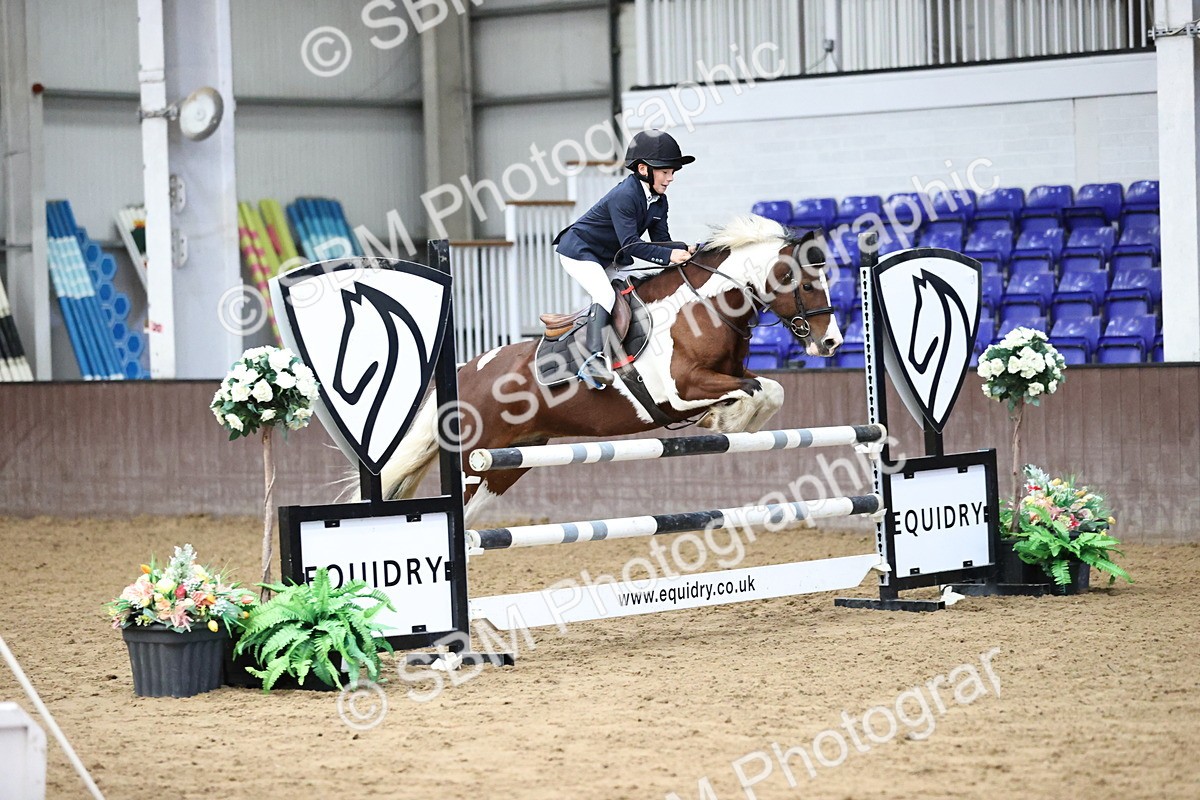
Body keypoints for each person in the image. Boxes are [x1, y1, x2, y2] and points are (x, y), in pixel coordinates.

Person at [553, 129, 697, 388]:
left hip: (607, 256)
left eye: (673, 172)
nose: (671, 178)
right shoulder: (625, 196)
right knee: (606, 295)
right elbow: (631, 245)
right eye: (665, 172)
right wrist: (670, 255)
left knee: (632, 292)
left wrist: (686, 247)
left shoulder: (659, 201)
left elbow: (660, 242)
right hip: (579, 251)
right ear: (643, 169)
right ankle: (591, 361)